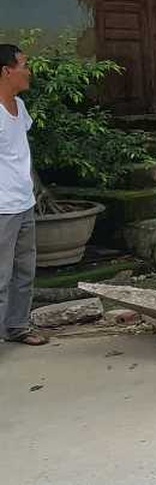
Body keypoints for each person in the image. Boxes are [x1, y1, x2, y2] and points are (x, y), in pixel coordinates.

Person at [0, 44, 47, 346]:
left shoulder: (19, 106)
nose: (28, 72)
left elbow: (20, 151)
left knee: (24, 270)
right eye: (24, 66)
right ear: (6, 71)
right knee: (0, 277)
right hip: (2, 207)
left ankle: (17, 326)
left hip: (24, 202)